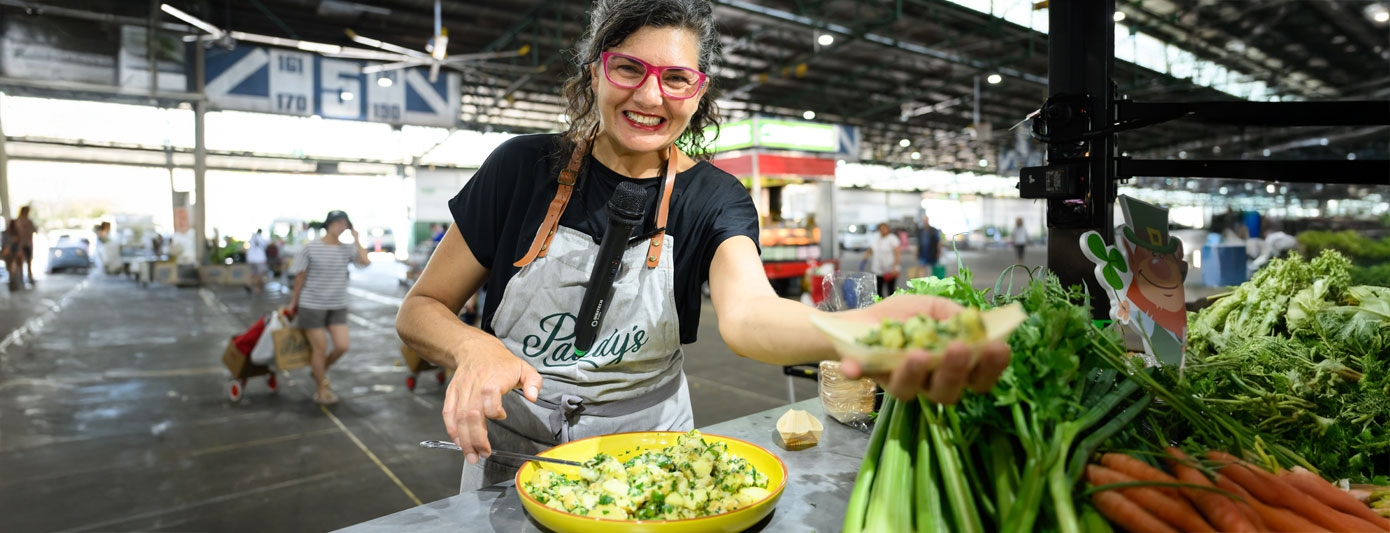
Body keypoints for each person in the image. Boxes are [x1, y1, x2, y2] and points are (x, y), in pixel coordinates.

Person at [394, 0, 1011, 491]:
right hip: (511, 456)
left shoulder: (713, 196)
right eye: (628, 68)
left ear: (699, 92)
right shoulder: (519, 169)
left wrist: (866, 330)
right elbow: (419, 309)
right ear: (595, 72)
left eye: (676, 78)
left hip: (651, 454)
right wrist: (471, 346)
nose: (649, 96)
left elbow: (750, 317)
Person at [288, 211, 370, 405]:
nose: (341, 227)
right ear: (328, 225)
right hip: (312, 304)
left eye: (344, 224)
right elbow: (300, 276)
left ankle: (318, 371)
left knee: (342, 346)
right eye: (337, 223)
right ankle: (321, 389)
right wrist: (294, 302)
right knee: (320, 349)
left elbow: (365, 262)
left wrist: (357, 239)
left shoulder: (347, 249)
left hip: (337, 304)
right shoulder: (310, 248)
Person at [865, 222, 901, 298]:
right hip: (878, 270)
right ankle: (880, 307)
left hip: (890, 269)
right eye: (881, 228)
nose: (883, 230)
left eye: (884, 228)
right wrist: (866, 254)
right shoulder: (877, 239)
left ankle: (891, 307)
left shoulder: (892, 238)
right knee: (878, 291)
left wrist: (895, 267)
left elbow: (897, 253)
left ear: (888, 229)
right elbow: (872, 249)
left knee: (891, 291)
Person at [13, 206, 36, 287]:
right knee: (22, 263)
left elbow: (34, 231)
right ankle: (23, 279)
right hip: (22, 245)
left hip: (26, 244)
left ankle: (27, 278)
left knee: (28, 263)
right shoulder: (18, 221)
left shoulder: (27, 221)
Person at [914, 215, 944, 279]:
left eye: (926, 220)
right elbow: (918, 242)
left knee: (935, 270)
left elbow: (939, 242)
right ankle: (922, 284)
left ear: (928, 221)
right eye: (924, 220)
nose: (925, 222)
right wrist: (917, 252)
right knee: (921, 270)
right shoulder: (920, 230)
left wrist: (939, 252)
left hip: (932, 253)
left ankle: (935, 283)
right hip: (923, 253)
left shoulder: (934, 230)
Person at [246, 229, 269, 294]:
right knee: (259, 274)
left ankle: (248, 284)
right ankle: (258, 288)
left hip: (251, 259)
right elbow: (265, 245)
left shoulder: (252, 238)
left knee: (252, 273)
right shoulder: (261, 238)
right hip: (259, 259)